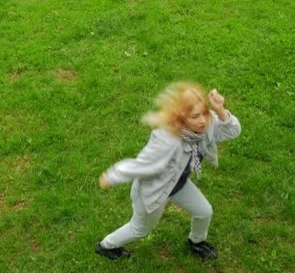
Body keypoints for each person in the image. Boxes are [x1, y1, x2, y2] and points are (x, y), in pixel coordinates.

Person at [96, 81, 242, 260]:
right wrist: (112, 176)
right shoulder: (166, 140)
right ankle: (106, 246)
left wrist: (220, 110)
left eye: (204, 113)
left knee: (204, 212)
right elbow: (142, 164)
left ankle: (196, 242)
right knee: (140, 229)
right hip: (154, 192)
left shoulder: (205, 124)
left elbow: (233, 131)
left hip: (178, 185)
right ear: (181, 118)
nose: (203, 120)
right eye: (195, 116)